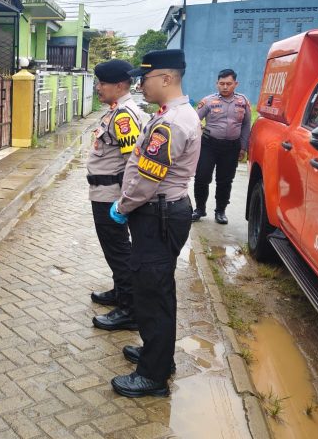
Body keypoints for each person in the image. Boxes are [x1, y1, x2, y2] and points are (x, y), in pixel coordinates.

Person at [108, 49, 201, 398]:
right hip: (161, 211)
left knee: (153, 293)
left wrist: (123, 204)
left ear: (165, 78)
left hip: (157, 212)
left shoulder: (172, 123)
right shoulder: (170, 114)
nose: (139, 84)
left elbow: (148, 179)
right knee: (158, 288)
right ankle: (157, 355)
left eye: (143, 78)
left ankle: (153, 375)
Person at [88, 60, 149, 333]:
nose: (98, 88)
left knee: (119, 252)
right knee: (115, 250)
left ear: (120, 85)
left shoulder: (123, 116)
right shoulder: (116, 111)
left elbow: (131, 163)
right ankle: (120, 292)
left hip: (110, 195)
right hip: (104, 192)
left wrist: (124, 202)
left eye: (102, 83)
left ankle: (129, 310)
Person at [192, 69, 252, 224]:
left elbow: (246, 126)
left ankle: (220, 211)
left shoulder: (243, 102)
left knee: (225, 181)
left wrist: (243, 147)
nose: (225, 87)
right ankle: (199, 209)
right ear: (217, 84)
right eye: (222, 84)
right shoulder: (208, 101)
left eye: (228, 84)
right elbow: (193, 120)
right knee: (202, 177)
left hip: (231, 147)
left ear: (235, 84)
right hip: (209, 145)